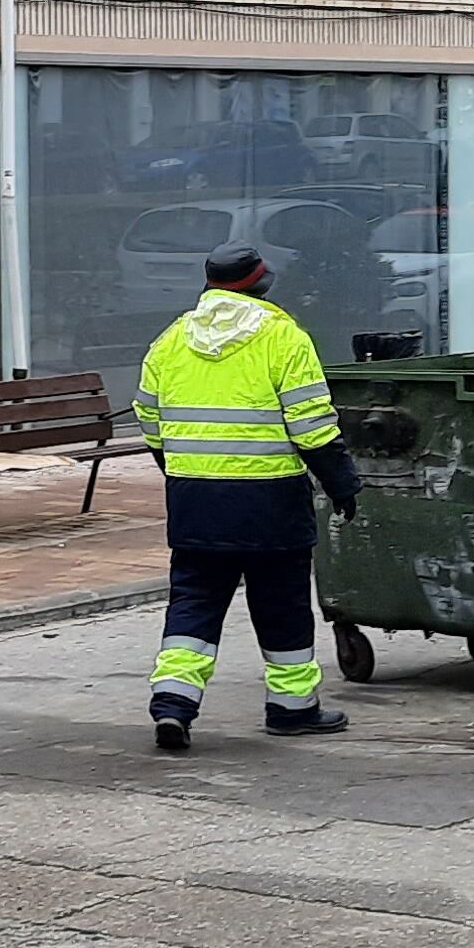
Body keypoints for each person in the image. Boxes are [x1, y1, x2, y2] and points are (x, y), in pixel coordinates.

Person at [132, 240, 360, 752]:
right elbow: (311, 425)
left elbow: (147, 414)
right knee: (281, 605)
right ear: (261, 284)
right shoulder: (283, 338)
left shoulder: (171, 340)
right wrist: (341, 482)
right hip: (270, 503)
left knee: (193, 604)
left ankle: (173, 703)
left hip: (195, 501)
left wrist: (179, 470)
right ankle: (292, 708)